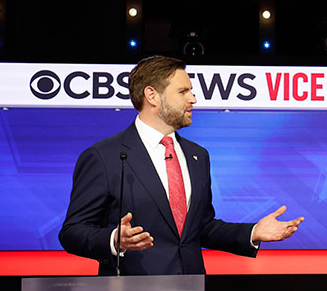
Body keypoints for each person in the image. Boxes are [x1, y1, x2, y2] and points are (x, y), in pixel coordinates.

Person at [60, 55, 303, 275]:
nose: (193, 99)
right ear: (152, 95)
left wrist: (253, 232)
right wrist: (114, 239)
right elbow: (72, 232)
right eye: (183, 91)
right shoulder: (105, 156)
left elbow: (201, 227)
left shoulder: (197, 155)